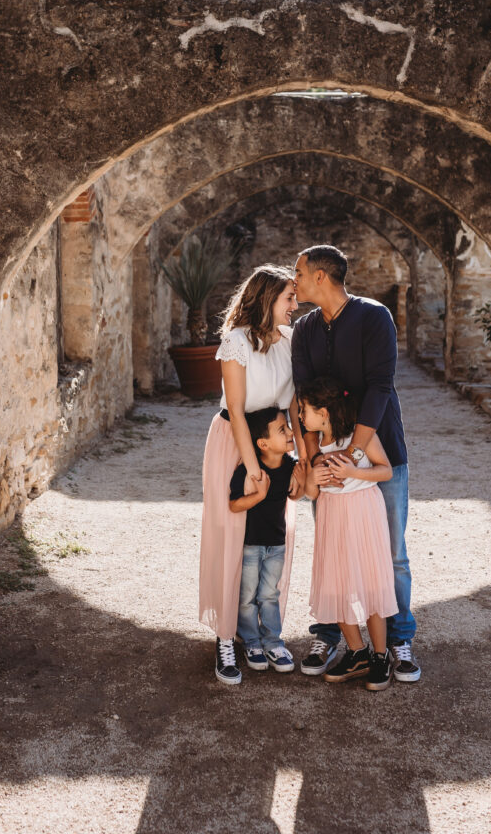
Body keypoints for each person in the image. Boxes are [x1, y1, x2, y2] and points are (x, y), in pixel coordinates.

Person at [292, 244, 421, 683]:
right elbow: (303, 397)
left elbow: (380, 387)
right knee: (334, 552)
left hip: (381, 449)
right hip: (326, 458)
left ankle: (398, 640)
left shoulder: (374, 316)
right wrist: (313, 461)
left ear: (322, 277)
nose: (295, 281)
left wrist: (352, 453)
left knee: (392, 555)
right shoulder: (305, 328)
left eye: (300, 273)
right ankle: (339, 639)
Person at [199, 265, 306, 685]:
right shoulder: (236, 342)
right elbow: (239, 411)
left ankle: (265, 634)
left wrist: (299, 463)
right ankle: (227, 637)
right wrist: (251, 467)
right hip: (235, 442)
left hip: (277, 446)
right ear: (267, 300)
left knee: (272, 537)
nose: (296, 306)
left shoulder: (292, 341)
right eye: (288, 299)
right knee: (232, 538)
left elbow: (294, 409)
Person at [300, 377, 397, 691]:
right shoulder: (315, 441)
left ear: (324, 412)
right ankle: (357, 652)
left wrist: (353, 471)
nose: (300, 416)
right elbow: (312, 494)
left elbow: (386, 470)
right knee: (337, 584)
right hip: (333, 516)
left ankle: (380, 656)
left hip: (364, 513)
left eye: (304, 410)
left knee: (370, 583)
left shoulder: (360, 436)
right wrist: (312, 477)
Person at [229, 407, 306, 675]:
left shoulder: (291, 466)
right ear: (262, 444)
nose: (289, 434)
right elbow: (234, 505)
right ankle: (251, 642)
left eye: (287, 427)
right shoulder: (248, 471)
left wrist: (304, 475)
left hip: (277, 545)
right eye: (282, 430)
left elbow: (300, 492)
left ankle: (273, 642)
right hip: (250, 545)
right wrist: (258, 497)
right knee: (247, 596)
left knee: (270, 595)